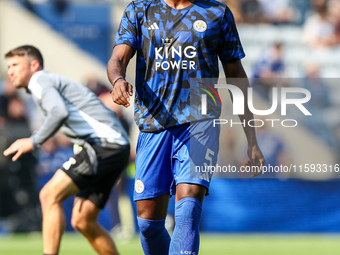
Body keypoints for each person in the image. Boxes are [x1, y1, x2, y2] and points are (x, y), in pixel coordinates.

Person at [107, 0, 265, 254]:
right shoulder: (139, 9)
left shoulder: (217, 13)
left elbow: (236, 74)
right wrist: (118, 80)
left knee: (188, 210)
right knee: (148, 224)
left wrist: (251, 137)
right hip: (153, 123)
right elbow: (118, 58)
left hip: (200, 122)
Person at [3, 45, 130, 255]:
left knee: (48, 195)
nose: (11, 71)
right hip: (116, 147)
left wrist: (32, 141)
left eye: (15, 64)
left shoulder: (40, 81)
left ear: (34, 65)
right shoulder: (49, 83)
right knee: (83, 221)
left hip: (103, 144)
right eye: (9, 66)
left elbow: (58, 111)